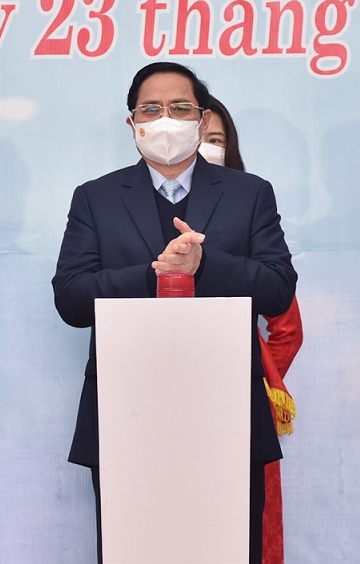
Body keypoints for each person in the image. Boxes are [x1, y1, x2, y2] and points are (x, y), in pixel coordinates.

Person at [53, 62, 298, 564]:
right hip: (126, 410)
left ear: (201, 117)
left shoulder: (249, 193)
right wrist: (153, 275)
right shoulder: (96, 198)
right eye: (151, 109)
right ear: (132, 122)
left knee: (229, 545)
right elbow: (71, 299)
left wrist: (204, 264)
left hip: (227, 410)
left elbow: (277, 289)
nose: (165, 119)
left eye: (180, 107)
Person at [201, 95, 304, 564]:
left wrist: (252, 379)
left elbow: (287, 328)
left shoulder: (249, 216)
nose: (204, 147)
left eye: (215, 139)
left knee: (245, 527)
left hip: (239, 405)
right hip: (157, 398)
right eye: (197, 137)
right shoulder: (137, 215)